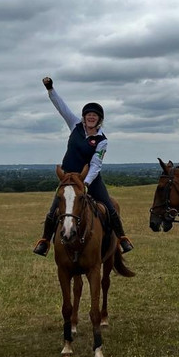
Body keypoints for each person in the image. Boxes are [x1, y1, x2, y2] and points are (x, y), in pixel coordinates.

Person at [33, 77, 133, 256]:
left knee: (110, 209)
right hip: (68, 178)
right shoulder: (74, 125)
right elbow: (61, 107)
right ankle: (45, 241)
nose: (91, 117)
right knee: (53, 211)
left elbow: (95, 165)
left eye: (94, 116)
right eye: (88, 115)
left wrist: (85, 183)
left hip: (90, 180)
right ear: (84, 117)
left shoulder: (102, 141)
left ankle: (122, 238)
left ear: (99, 120)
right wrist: (50, 89)